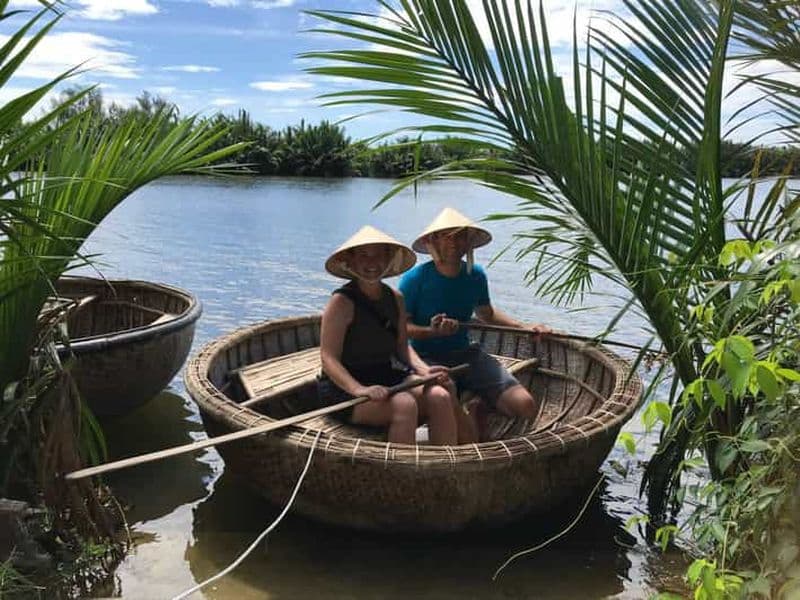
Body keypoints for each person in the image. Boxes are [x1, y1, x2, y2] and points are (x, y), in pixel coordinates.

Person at [399, 208, 551, 442]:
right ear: (433, 241)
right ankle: (462, 412)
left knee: (526, 406)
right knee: (456, 425)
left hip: (466, 355)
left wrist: (526, 327)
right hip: (425, 358)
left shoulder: (475, 275)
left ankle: (479, 408)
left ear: (468, 242)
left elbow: (487, 314)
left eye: (459, 236)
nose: (453, 242)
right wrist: (431, 331)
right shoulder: (414, 279)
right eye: (445, 236)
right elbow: (402, 329)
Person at [319, 225, 459, 446]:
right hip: (345, 388)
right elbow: (328, 359)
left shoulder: (395, 298)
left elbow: (402, 348)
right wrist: (359, 389)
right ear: (351, 261)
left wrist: (424, 370)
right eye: (363, 255)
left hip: (385, 376)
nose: (371, 263)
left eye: (378, 255)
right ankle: (402, 477)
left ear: (388, 259)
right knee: (405, 404)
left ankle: (445, 468)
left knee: (441, 395)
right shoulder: (342, 302)